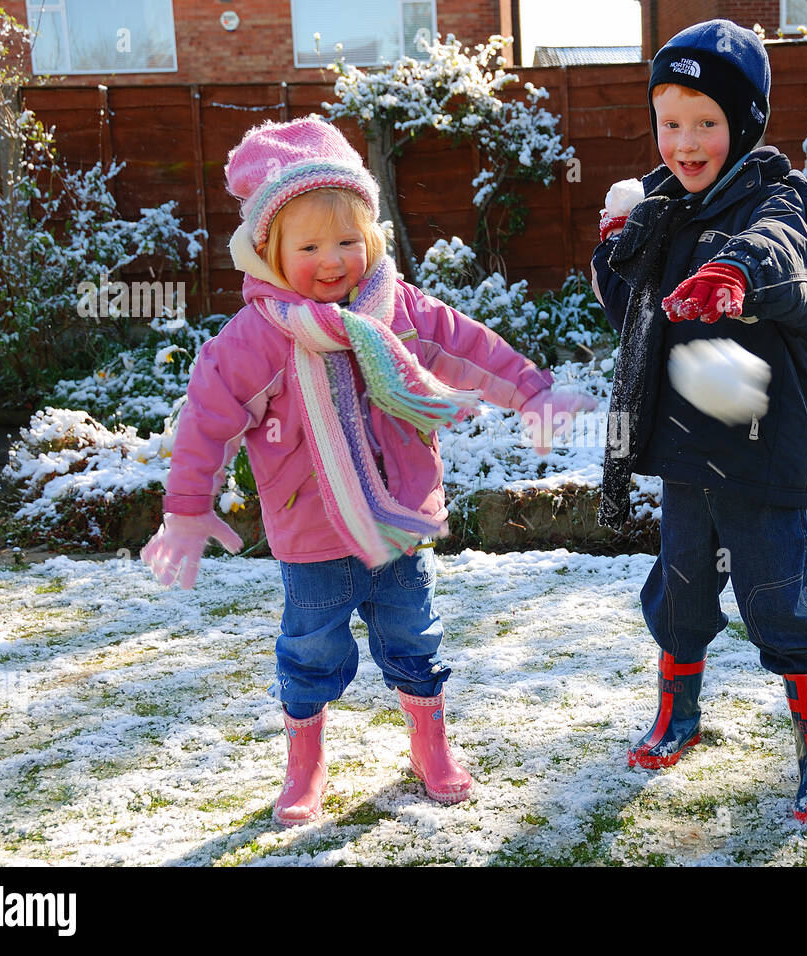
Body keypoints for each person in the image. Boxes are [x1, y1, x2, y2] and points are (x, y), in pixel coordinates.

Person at [141, 116, 594, 825]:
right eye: (310, 245)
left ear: (373, 239)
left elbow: (469, 349)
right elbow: (208, 418)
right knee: (310, 652)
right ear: (269, 251)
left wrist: (533, 393)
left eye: (348, 240)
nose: (333, 260)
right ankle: (305, 761)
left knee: (416, 639)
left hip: (400, 524)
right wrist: (189, 504)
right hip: (311, 537)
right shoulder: (260, 337)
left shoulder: (398, 311)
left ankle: (430, 745)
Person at [590, 20, 807, 826]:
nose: (685, 140)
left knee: (776, 601)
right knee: (679, 595)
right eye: (669, 121)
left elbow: (787, 253)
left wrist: (735, 270)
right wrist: (616, 252)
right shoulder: (662, 208)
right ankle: (680, 712)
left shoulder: (782, 203)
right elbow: (631, 319)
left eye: (705, 121)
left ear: (743, 124)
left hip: (757, 453)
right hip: (683, 453)